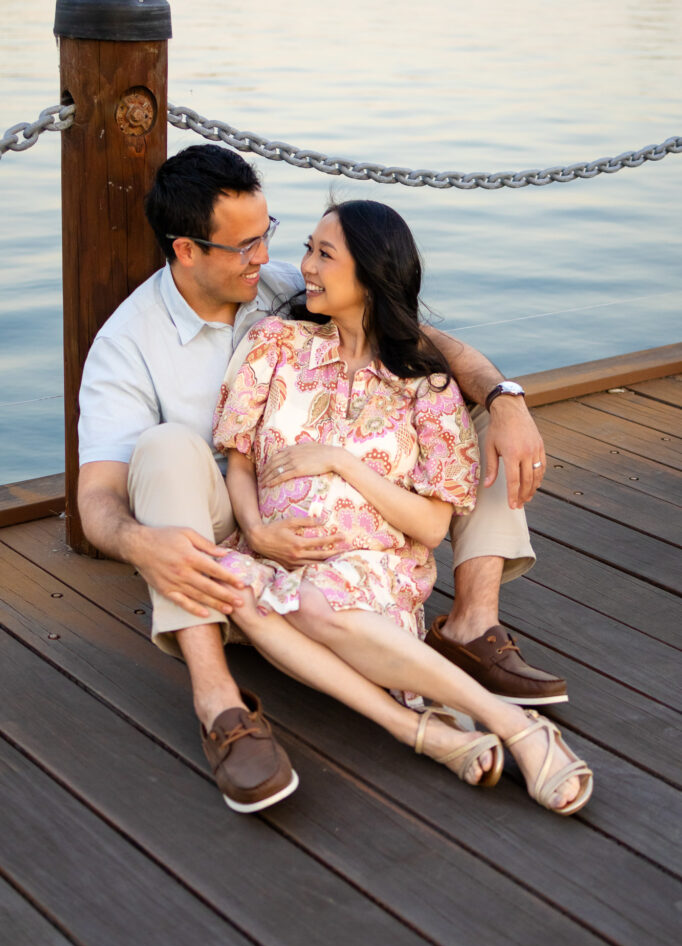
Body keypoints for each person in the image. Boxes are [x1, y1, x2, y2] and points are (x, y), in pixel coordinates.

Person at [77, 143, 563, 812]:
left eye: (269, 235)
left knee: (474, 410)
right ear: (187, 250)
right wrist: (140, 543)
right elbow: (98, 499)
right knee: (163, 448)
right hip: (217, 520)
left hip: (348, 521)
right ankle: (220, 703)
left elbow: (420, 340)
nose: (269, 259)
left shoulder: (283, 289)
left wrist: (507, 397)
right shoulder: (127, 346)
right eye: (246, 245)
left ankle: (471, 626)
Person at [209, 199, 593, 817]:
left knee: (308, 600)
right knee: (233, 585)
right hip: (276, 553)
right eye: (307, 247)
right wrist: (256, 529)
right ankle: (426, 733)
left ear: (371, 273)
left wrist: (339, 460)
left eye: (323, 254)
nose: (304, 265)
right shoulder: (274, 344)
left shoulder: (426, 386)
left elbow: (433, 525)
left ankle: (510, 725)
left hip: (374, 570)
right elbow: (240, 460)